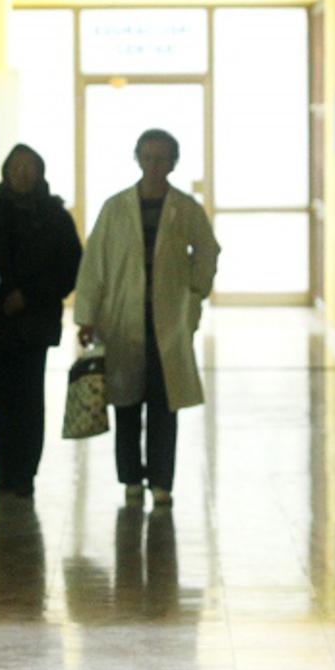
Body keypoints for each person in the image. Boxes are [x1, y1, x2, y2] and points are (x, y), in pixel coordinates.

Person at [74, 128, 219, 508]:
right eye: (149, 157)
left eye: (162, 158)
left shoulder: (184, 208)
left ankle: (161, 481)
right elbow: (94, 264)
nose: (155, 165)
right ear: (137, 159)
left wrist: (195, 291)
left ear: (173, 163)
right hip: (121, 320)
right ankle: (131, 479)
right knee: (125, 402)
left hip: (168, 321)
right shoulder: (115, 208)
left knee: (163, 402)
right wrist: (86, 316)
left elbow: (207, 250)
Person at [0, 143, 83, 499]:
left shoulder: (55, 216)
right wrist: (1, 295)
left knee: (30, 400)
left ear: (40, 172)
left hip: (34, 322)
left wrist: (29, 296)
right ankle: (6, 472)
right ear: (5, 172)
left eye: (29, 166)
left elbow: (69, 268)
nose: (22, 173)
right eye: (16, 167)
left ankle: (25, 474)